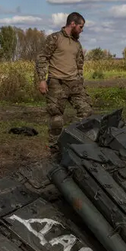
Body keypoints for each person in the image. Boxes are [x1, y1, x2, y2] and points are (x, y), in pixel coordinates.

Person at [35, 12, 92, 153]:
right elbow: (42, 58)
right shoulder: (55, 38)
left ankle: (73, 139)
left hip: (74, 84)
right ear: (72, 24)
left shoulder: (77, 44)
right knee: (56, 118)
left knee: (86, 111)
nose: (82, 30)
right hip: (56, 83)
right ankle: (54, 146)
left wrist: (80, 81)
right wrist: (42, 80)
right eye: (80, 27)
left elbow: (79, 65)